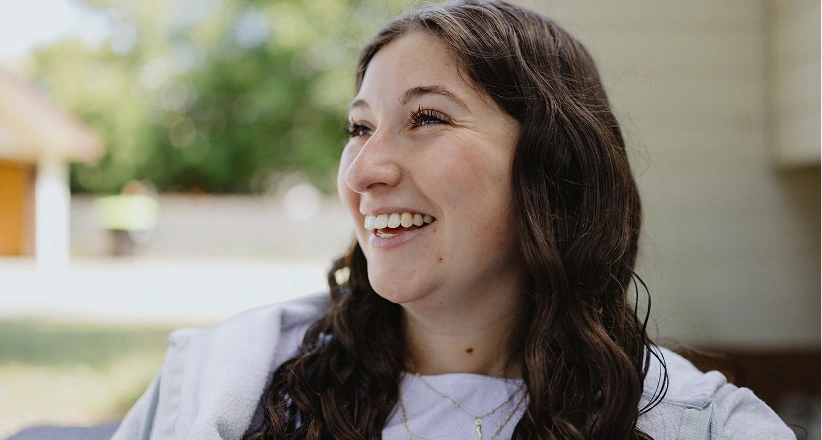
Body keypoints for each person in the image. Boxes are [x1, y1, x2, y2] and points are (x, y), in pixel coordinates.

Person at [111, 1, 796, 439]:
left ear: (552, 163)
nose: (363, 171)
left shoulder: (699, 423)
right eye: (359, 127)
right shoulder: (219, 383)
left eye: (427, 118)